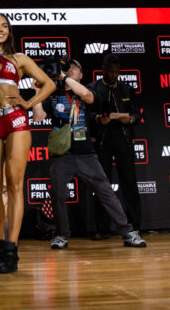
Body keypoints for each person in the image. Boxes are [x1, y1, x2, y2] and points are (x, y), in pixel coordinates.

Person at [31, 58, 146, 249]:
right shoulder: (52, 95)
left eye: (73, 70)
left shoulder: (90, 91)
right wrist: (37, 93)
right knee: (57, 194)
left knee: (106, 192)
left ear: (81, 75)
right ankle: (62, 234)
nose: (68, 72)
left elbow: (86, 94)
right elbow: (38, 116)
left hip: (86, 154)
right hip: (63, 155)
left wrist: (62, 77)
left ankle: (128, 232)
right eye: (66, 70)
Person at [0, 13, 55, 273]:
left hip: (16, 121)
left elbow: (49, 84)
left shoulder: (18, 59)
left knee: (16, 184)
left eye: (4, 26)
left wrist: (30, 103)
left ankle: (11, 250)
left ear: (10, 31)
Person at [87, 53, 142, 236]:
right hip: (102, 140)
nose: (113, 75)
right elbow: (86, 115)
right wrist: (97, 119)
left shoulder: (127, 89)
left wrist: (131, 119)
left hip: (123, 137)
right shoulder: (93, 88)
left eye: (116, 72)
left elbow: (138, 114)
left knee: (129, 183)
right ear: (103, 69)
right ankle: (102, 229)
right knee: (103, 185)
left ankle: (135, 226)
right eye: (110, 71)